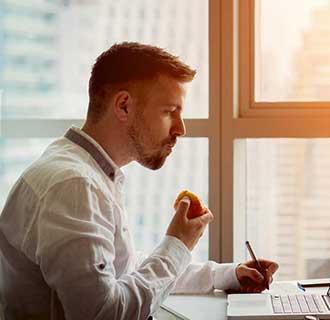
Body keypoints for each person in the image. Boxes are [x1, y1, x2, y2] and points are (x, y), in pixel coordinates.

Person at [0, 42, 278, 319]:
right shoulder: (74, 186)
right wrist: (178, 243)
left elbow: (126, 270)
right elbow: (104, 314)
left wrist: (227, 275)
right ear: (123, 106)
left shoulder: (84, 171)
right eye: (170, 111)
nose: (181, 128)